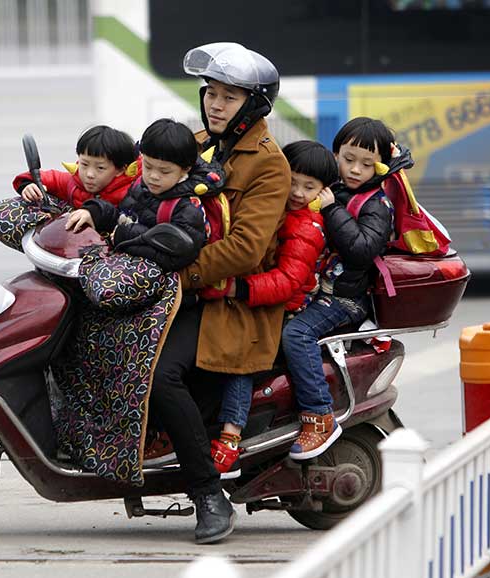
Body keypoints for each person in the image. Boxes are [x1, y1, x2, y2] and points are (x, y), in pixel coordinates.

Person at [144, 42, 291, 544]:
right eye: (211, 93)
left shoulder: (267, 164)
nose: (216, 104)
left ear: (253, 105)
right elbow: (142, 180)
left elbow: (246, 249)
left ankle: (209, 495)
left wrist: (178, 275)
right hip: (182, 290)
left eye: (229, 97)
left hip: (228, 301)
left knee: (161, 374)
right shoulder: (202, 143)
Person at [209, 140, 339, 478]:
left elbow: (288, 281)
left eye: (308, 187)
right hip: (265, 300)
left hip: (283, 307)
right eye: (292, 181)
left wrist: (239, 288)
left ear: (324, 191)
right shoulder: (271, 206)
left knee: (243, 354)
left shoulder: (307, 225)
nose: (297, 192)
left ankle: (231, 437)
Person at [282, 117, 400, 460]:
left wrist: (332, 208)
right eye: (348, 159)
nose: (355, 169)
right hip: (316, 290)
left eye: (367, 164)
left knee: (297, 334)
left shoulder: (376, 204)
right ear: (336, 155)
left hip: (344, 299)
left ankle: (320, 416)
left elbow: (362, 250)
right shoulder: (330, 186)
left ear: (381, 166)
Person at [63, 118, 224, 272]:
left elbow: (178, 258)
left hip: (160, 282)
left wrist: (126, 237)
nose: (153, 176)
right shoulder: (141, 185)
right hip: (126, 263)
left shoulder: (186, 208)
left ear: (185, 169)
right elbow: (122, 217)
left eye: (164, 171)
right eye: (148, 166)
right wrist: (94, 212)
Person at [12, 125, 138, 209]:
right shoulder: (74, 183)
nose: (89, 174)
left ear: (120, 170)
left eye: (100, 168)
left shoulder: (134, 192)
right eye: (84, 164)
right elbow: (42, 178)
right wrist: (28, 186)